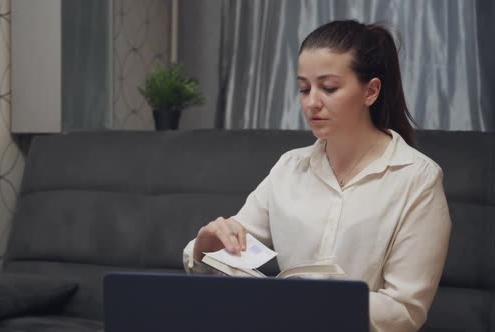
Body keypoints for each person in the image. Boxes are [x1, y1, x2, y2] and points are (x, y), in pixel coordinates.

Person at [182, 20, 451, 332]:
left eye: (329, 88)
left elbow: (404, 312)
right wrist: (206, 247)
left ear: (371, 91)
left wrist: (304, 303)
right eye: (304, 88)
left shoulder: (417, 178)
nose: (311, 102)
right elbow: (224, 256)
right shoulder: (288, 168)